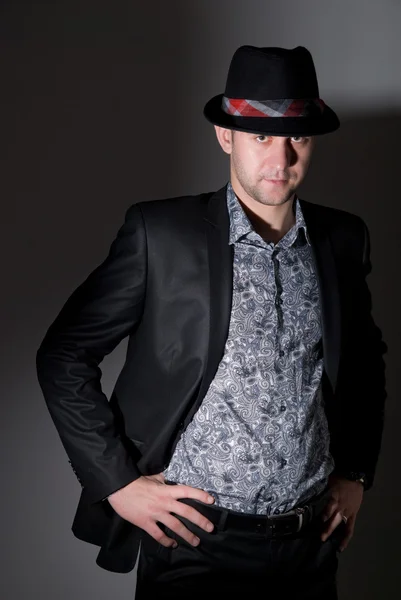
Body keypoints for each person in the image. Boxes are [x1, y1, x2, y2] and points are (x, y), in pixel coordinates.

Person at [36, 45, 387, 599]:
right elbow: (62, 354)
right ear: (226, 136)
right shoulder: (162, 235)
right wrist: (118, 484)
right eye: (261, 137)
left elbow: (366, 362)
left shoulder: (343, 239)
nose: (281, 159)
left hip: (309, 545)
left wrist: (357, 473)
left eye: (297, 137)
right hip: (195, 543)